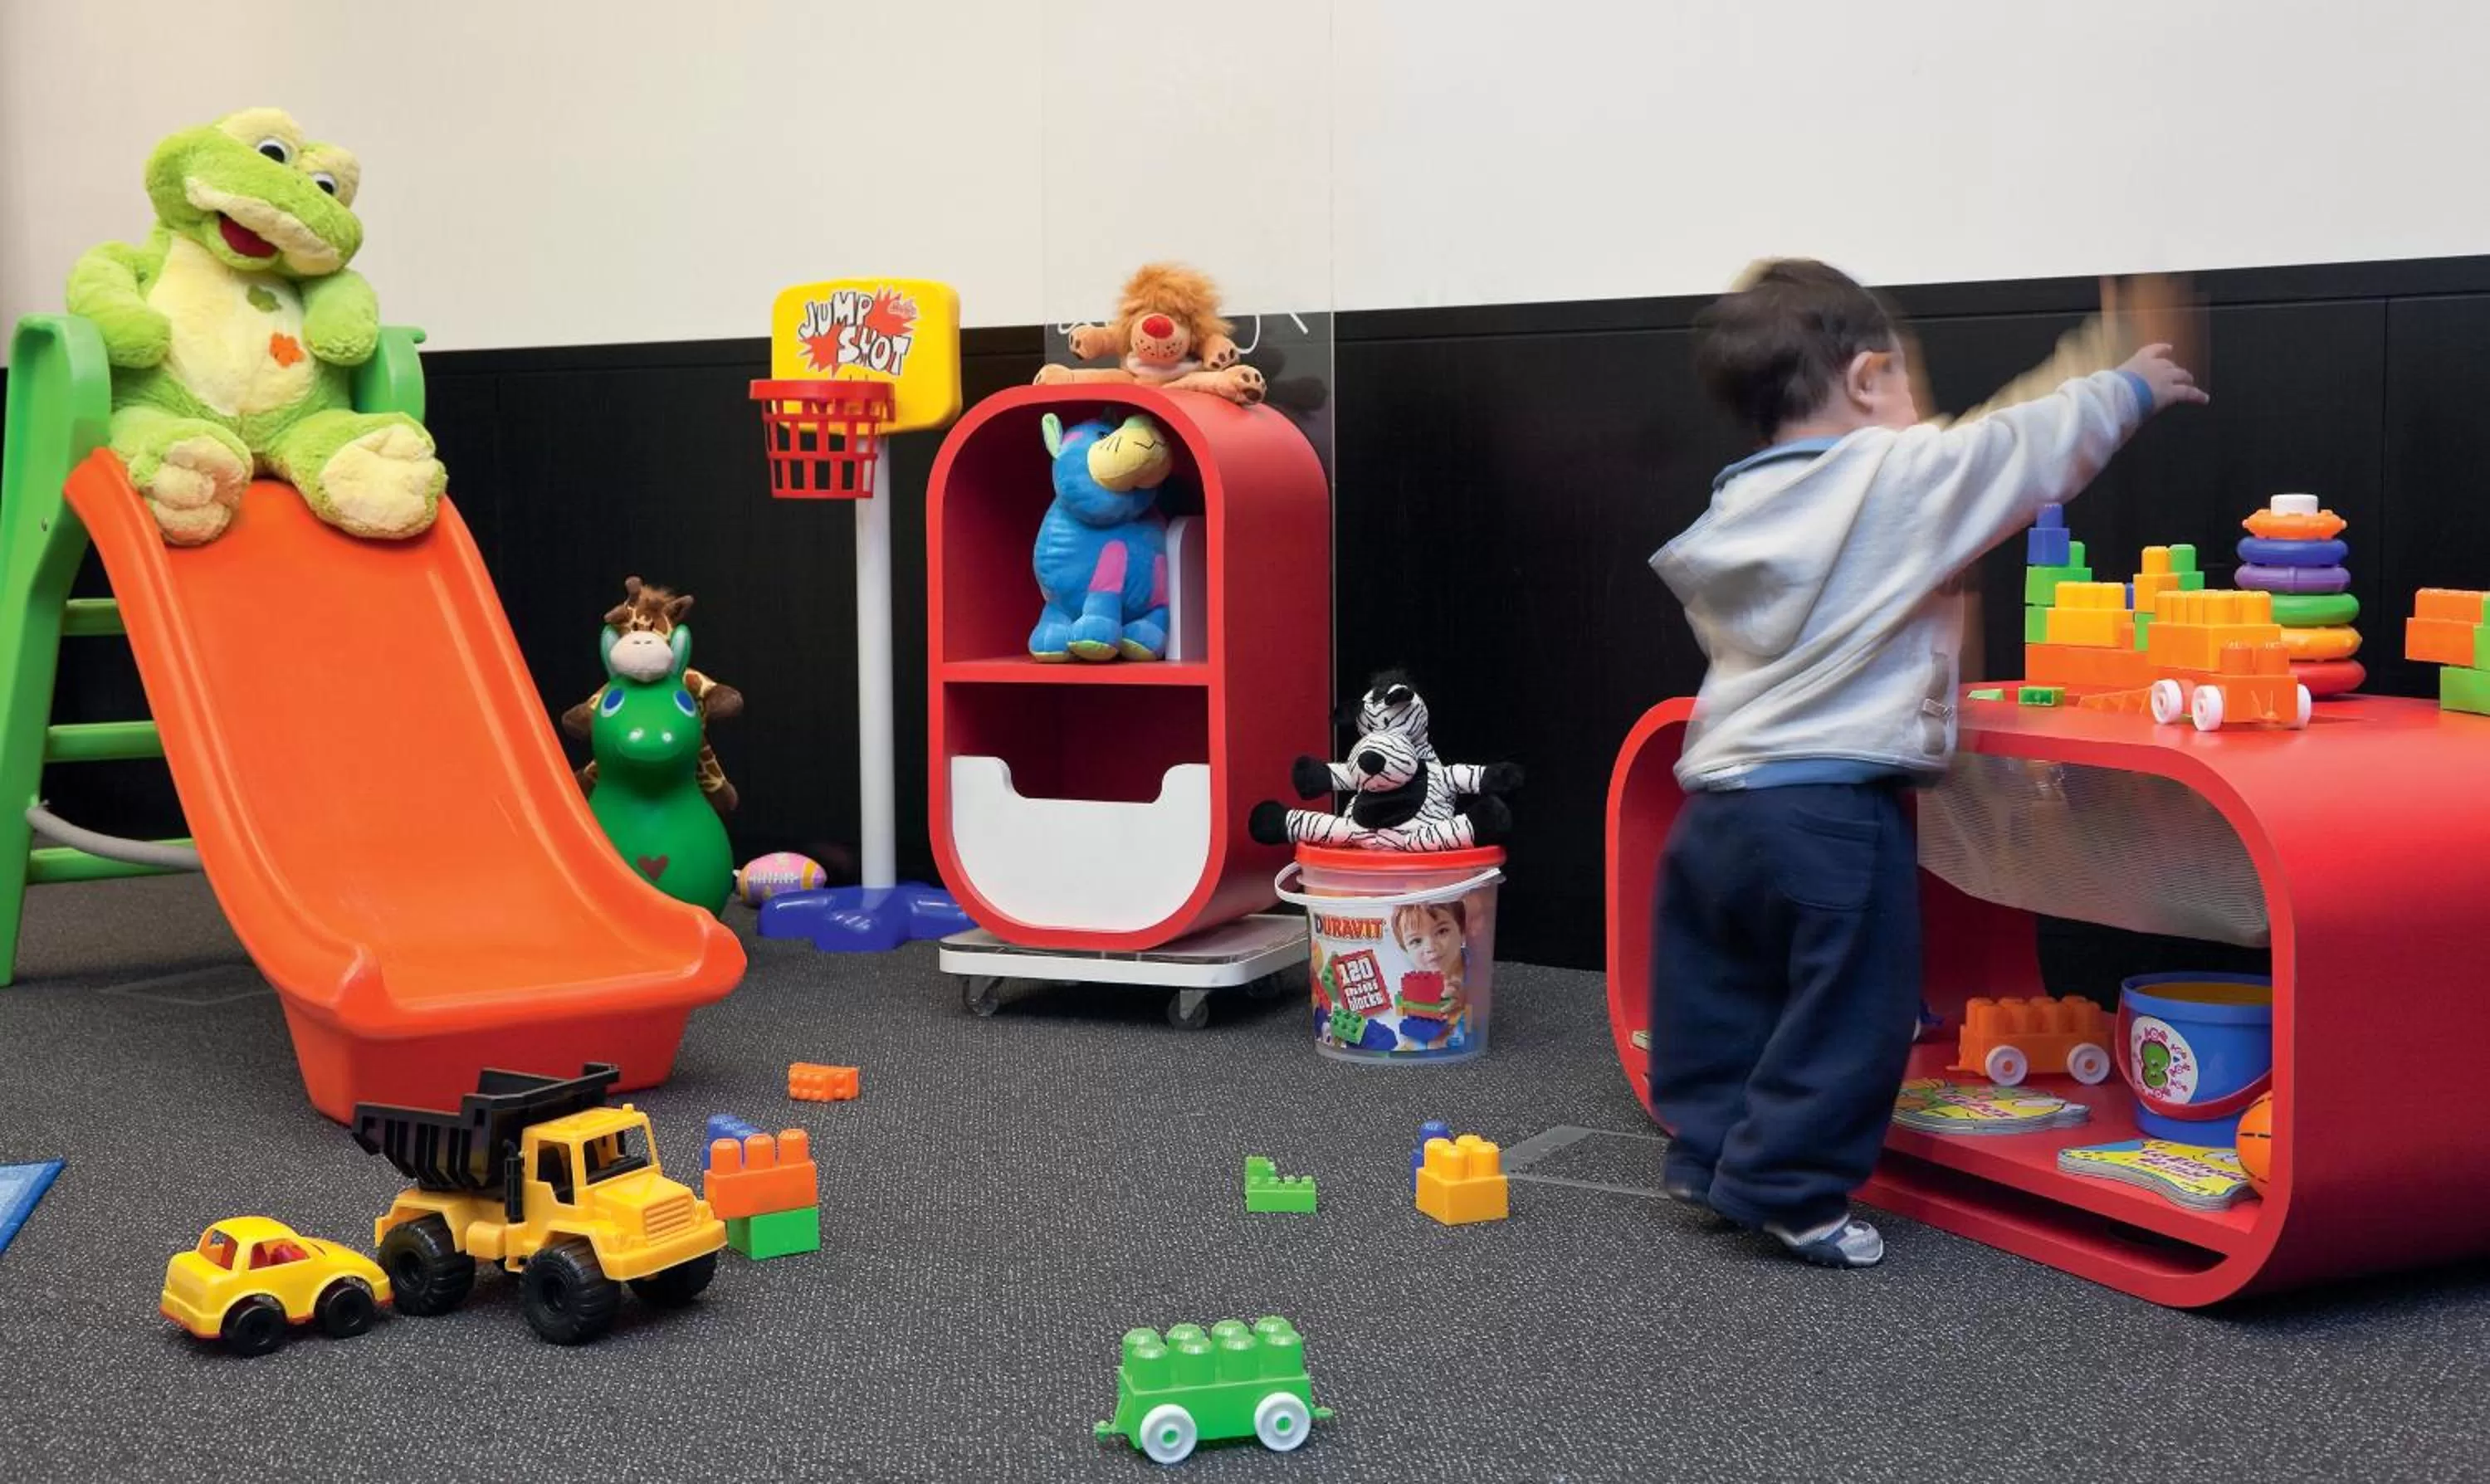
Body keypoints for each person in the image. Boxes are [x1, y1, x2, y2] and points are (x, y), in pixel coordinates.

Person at [1647, 260, 2206, 1269]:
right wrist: (2127, 383)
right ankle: (1792, 1189)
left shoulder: (1741, 511)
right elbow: (2024, 442)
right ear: (1868, 380)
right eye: (1912, 380)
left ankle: (1710, 1151)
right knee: (1854, 1006)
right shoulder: (1895, 476)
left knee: (1724, 986)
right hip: (1828, 808)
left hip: (1717, 809)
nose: (1929, 411)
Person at [1390, 900, 1471, 1049]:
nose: (1430, 947)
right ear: (1406, 951)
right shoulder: (1416, 987)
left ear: (1462, 931)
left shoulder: (1477, 967)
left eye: (1442, 931)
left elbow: (1482, 1013)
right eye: (1416, 941)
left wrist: (1467, 998)